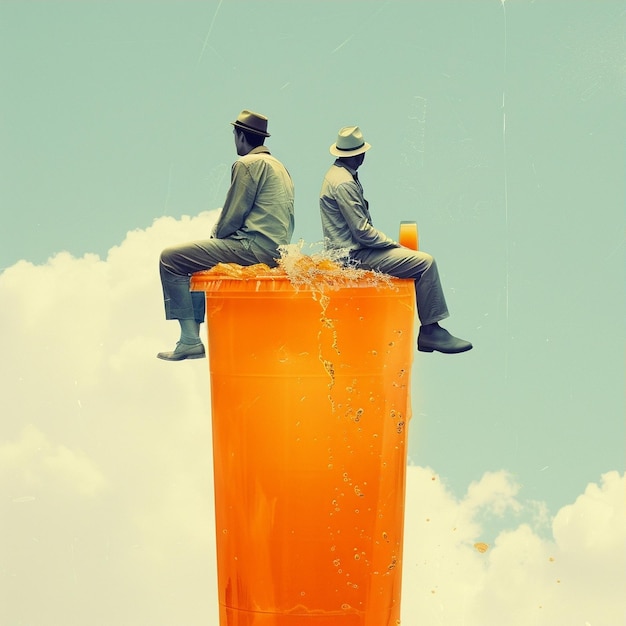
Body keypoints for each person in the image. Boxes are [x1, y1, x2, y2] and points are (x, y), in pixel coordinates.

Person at [319, 125, 472, 354]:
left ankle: (432, 330)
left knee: (418, 260)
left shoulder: (340, 175)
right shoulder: (344, 183)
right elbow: (363, 232)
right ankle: (431, 331)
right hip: (352, 256)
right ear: (360, 154)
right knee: (425, 263)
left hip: (349, 252)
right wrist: (394, 246)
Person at [157, 109, 295, 361]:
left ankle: (189, 339)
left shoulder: (247, 164)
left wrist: (214, 239)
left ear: (240, 136)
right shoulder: (280, 167)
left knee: (172, 259)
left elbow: (233, 215)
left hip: (252, 246)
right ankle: (190, 340)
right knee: (198, 260)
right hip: (277, 249)